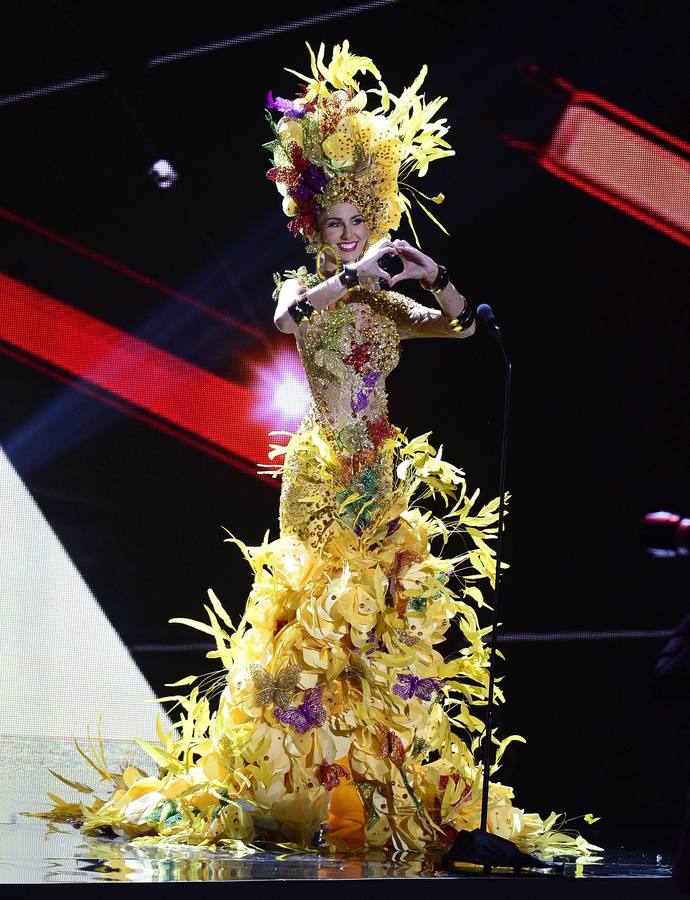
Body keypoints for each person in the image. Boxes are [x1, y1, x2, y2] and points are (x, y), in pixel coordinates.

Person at [36, 41, 593, 857]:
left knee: (372, 623)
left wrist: (430, 271)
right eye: (335, 224)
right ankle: (284, 778)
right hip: (322, 466)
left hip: (378, 469)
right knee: (312, 614)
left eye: (359, 223)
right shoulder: (309, 290)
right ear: (317, 229)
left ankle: (360, 782)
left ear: (376, 221)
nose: (348, 234)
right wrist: (358, 274)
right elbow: (285, 320)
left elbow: (463, 326)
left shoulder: (386, 305)